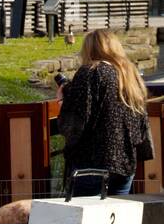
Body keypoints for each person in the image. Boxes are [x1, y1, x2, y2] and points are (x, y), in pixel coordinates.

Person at [57, 28, 150, 196]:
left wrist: (63, 102)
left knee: (86, 220)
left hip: (92, 166)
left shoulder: (91, 72)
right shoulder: (129, 75)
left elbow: (75, 122)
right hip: (125, 165)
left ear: (89, 49)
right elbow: (141, 124)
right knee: (117, 218)